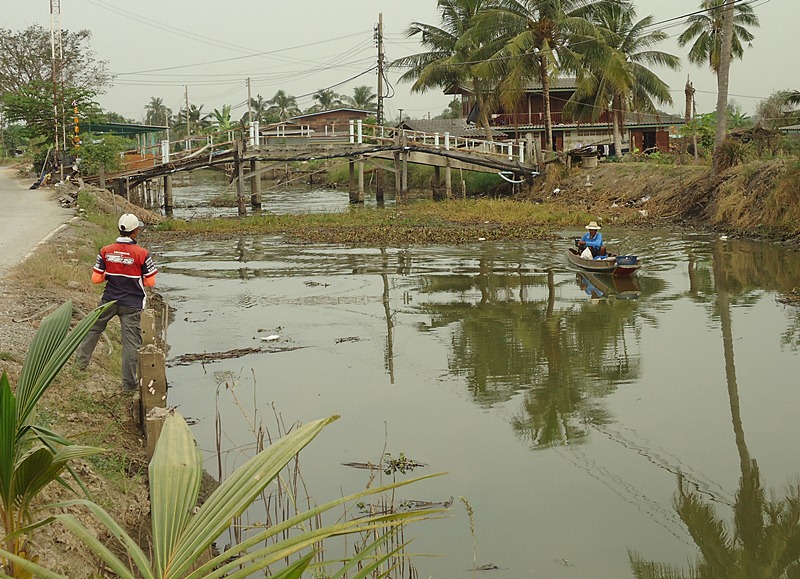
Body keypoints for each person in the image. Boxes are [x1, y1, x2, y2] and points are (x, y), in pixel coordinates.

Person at [75, 213, 158, 392]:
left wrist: (110, 274)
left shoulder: (106, 250)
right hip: (132, 303)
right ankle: (129, 385)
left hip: (108, 300)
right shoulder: (142, 253)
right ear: (135, 232)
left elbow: (96, 279)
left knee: (94, 329)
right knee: (130, 343)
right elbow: (150, 282)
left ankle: (80, 365)